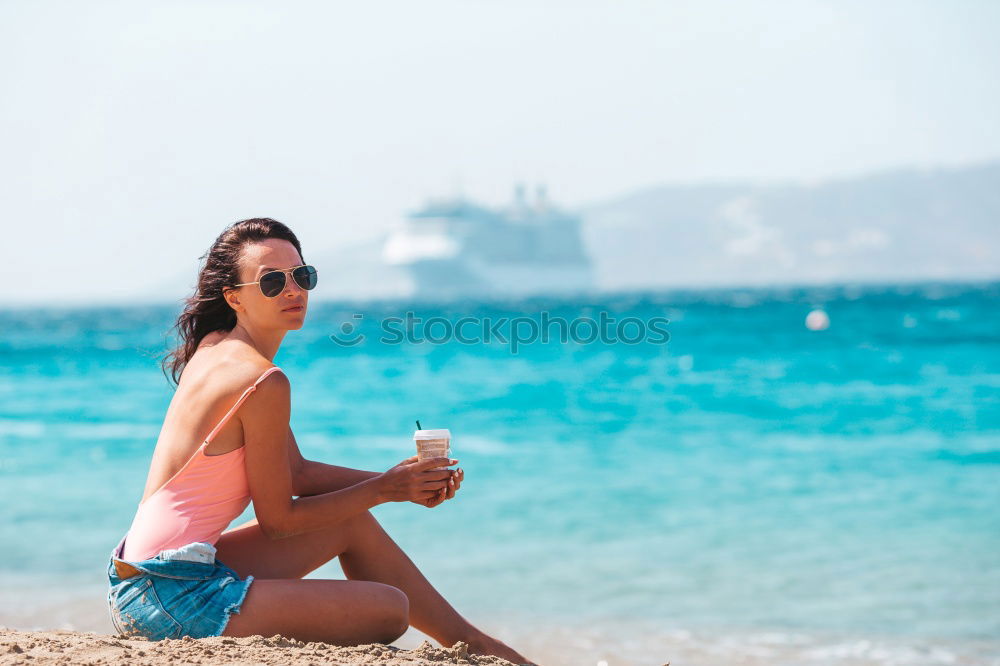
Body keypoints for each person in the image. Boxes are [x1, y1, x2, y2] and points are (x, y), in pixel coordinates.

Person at [106, 217, 533, 665]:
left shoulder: (217, 345)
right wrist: (386, 489)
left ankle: (471, 642)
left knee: (350, 522)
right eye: (272, 281)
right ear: (235, 298)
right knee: (390, 612)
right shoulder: (260, 380)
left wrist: (404, 482)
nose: (293, 290)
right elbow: (279, 520)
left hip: (140, 579)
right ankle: (473, 644)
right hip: (171, 599)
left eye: (302, 276)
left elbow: (298, 474)